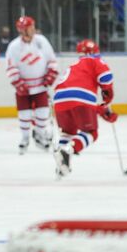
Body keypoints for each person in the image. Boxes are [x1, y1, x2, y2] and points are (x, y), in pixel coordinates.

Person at [49, 39, 115, 178]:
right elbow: (106, 77)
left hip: (59, 100)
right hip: (81, 98)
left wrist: (102, 109)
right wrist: (108, 97)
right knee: (91, 133)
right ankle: (69, 151)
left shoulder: (73, 66)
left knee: (68, 133)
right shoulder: (95, 61)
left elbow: (74, 96)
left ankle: (62, 166)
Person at [3, 15, 58, 153]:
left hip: (40, 85)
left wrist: (51, 75)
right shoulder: (14, 46)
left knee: (43, 113)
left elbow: (51, 59)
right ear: (22, 30)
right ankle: (25, 137)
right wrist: (18, 82)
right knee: (25, 114)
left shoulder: (41, 41)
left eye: (33, 26)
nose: (33, 29)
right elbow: (10, 66)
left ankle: (39, 135)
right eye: (29, 27)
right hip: (23, 87)